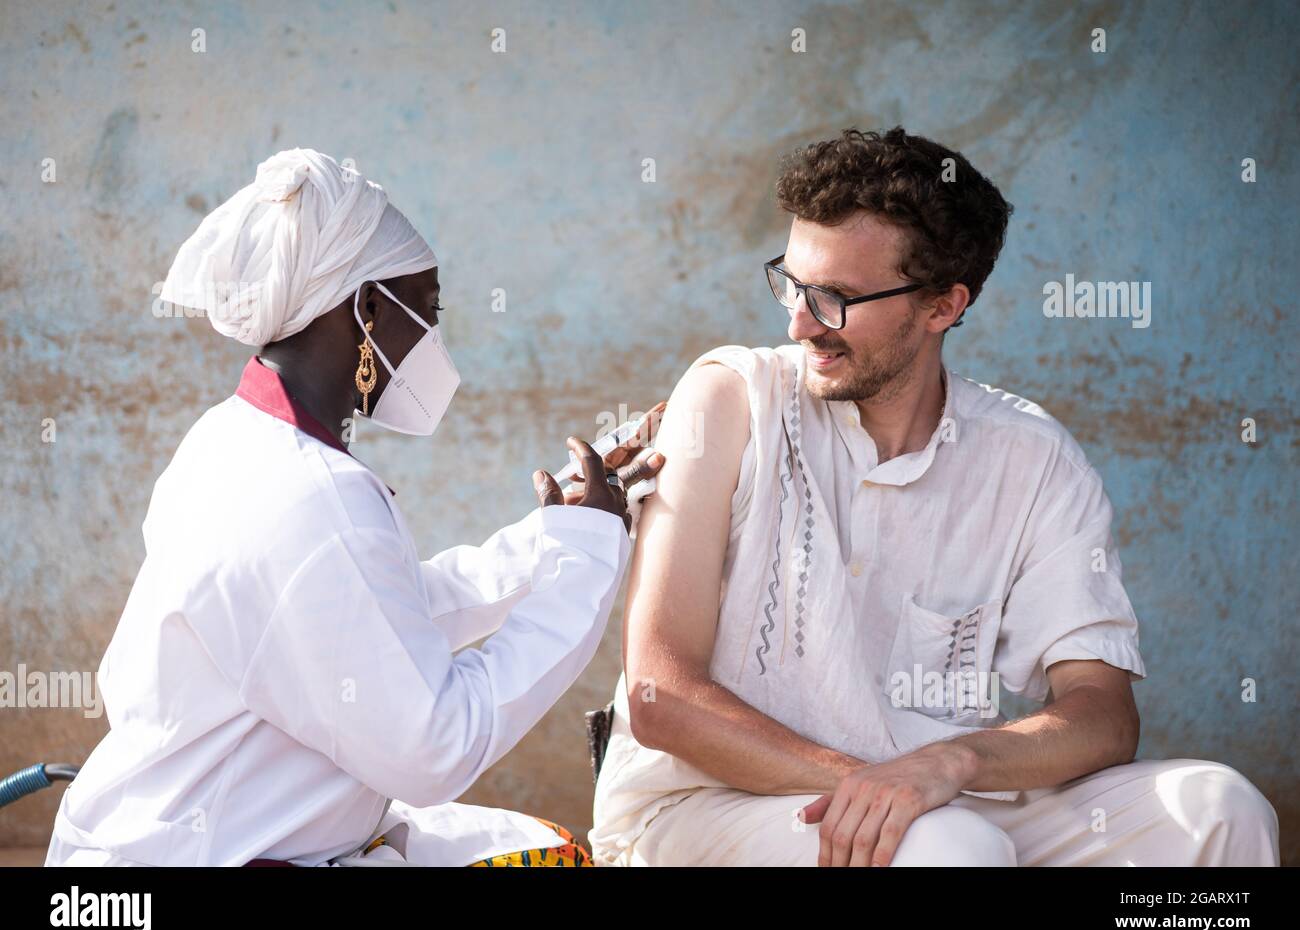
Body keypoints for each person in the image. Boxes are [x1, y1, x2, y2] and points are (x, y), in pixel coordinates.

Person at [588, 127, 1280, 867]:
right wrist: (884, 788)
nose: (798, 322)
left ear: (943, 307)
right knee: (946, 847)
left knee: (1220, 809)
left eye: (836, 300)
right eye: (791, 283)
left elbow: (1102, 715)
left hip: (944, 803)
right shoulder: (730, 399)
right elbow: (663, 699)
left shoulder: (1032, 458)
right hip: (704, 811)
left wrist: (949, 766)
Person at [45, 148, 663, 867]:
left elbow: (376, 617)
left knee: (532, 846)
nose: (432, 338)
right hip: (203, 856)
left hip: (177, 835)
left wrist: (552, 541)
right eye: (427, 311)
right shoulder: (311, 497)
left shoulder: (235, 439)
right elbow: (436, 748)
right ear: (368, 309)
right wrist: (582, 565)